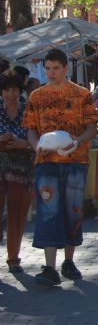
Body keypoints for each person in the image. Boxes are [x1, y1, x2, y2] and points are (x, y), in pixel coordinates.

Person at [23, 49, 98, 286]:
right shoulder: (36, 96)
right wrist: (37, 146)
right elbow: (31, 128)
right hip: (47, 163)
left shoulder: (82, 94)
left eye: (56, 68)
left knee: (73, 209)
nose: (51, 72)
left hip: (75, 161)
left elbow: (92, 126)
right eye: (48, 68)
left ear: (66, 68)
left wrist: (78, 141)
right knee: (48, 210)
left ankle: (69, 261)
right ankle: (49, 267)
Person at [0, 70, 35, 273]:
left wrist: (24, 144)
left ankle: (13, 258)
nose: (11, 94)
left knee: (17, 214)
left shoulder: (28, 110)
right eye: (7, 90)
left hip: (22, 170)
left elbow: (37, 139)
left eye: (15, 90)